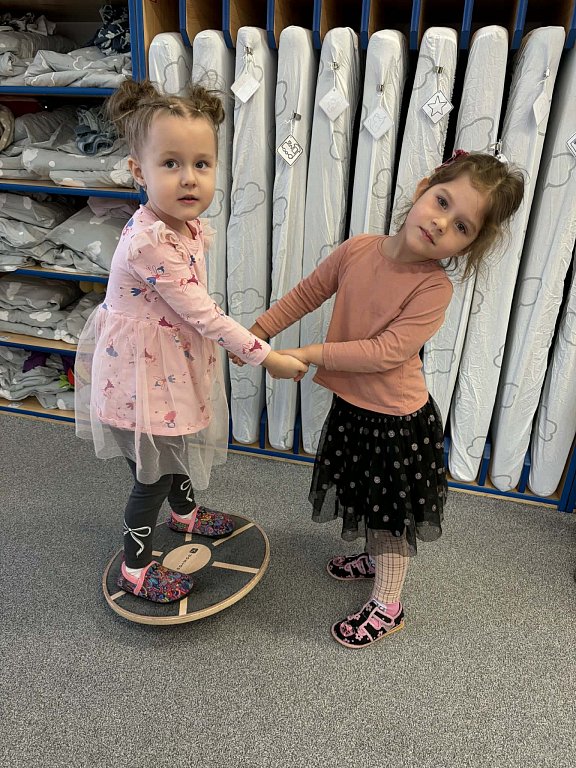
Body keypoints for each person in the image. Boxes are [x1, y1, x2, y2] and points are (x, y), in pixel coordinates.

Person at [242, 151, 524, 647]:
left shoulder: (433, 288)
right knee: (364, 495)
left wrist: (308, 353)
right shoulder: (358, 250)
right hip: (355, 408)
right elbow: (308, 293)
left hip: (395, 421)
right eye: (442, 202)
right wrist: (259, 332)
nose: (441, 223)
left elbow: (385, 352)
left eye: (461, 226)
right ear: (422, 189)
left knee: (390, 516)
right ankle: (374, 560)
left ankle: (389, 605)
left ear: (469, 245)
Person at [74, 80, 307, 604]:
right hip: (139, 377)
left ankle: (184, 514)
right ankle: (135, 568)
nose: (189, 178)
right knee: (152, 476)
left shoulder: (186, 225)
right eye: (171, 163)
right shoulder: (150, 241)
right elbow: (202, 312)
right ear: (138, 171)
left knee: (173, 447)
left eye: (202, 164)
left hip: (165, 363)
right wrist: (265, 356)